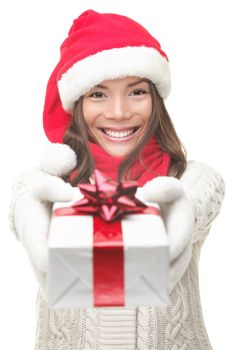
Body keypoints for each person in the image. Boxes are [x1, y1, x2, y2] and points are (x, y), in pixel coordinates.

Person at [9, 9, 225, 350]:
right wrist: (24, 208)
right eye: (98, 94)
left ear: (156, 99)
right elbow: (21, 198)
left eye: (136, 92)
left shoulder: (192, 181)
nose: (120, 112)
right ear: (76, 104)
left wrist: (174, 211)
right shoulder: (47, 185)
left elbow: (195, 204)